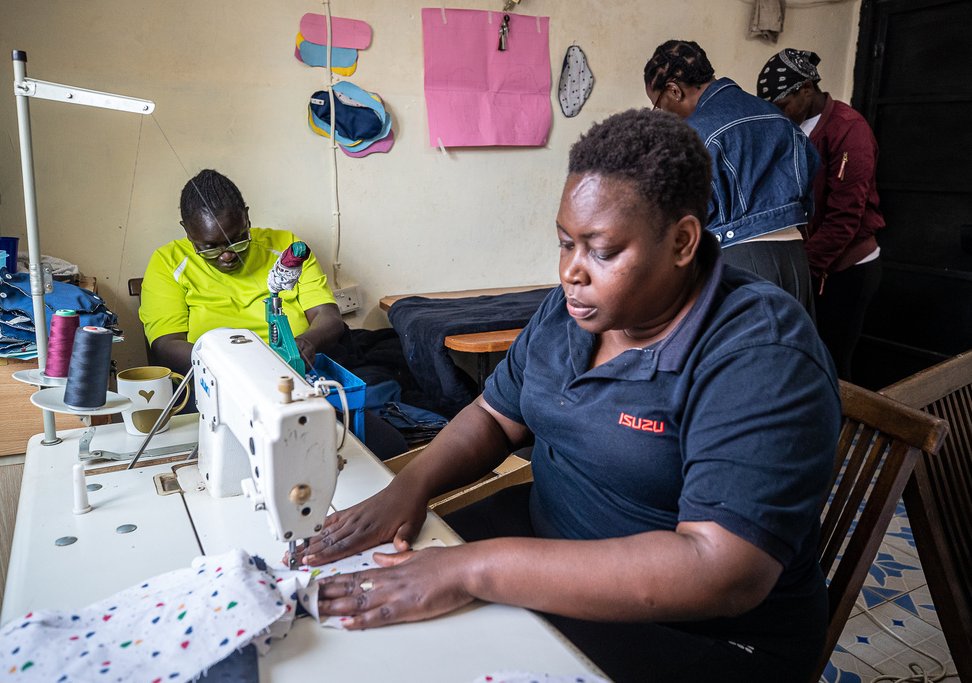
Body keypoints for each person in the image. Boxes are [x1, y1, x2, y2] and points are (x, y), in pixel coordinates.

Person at [301, 109, 840, 682]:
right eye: (565, 244)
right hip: (547, 540)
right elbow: (493, 414)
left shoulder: (760, 354)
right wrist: (409, 487)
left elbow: (720, 570)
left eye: (601, 251)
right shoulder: (572, 312)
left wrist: (471, 570)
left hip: (701, 632)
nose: (570, 273)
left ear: (682, 240)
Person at [139, 169, 407, 458]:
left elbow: (328, 316)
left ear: (247, 217)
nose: (227, 254)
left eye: (238, 239)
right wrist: (243, 364)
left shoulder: (286, 248)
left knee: (386, 448)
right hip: (219, 384)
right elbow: (166, 345)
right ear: (186, 230)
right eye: (210, 247)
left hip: (295, 376)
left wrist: (306, 342)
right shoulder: (167, 263)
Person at [643, 39, 821, 318]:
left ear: (674, 90)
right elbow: (810, 184)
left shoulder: (695, 134)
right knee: (789, 356)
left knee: (743, 358)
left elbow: (680, 222)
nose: (663, 116)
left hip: (740, 264)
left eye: (658, 106)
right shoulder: (777, 116)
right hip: (796, 261)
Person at [758, 49, 884, 382]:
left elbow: (845, 219)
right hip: (810, 263)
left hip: (846, 267)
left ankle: (839, 432)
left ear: (807, 90)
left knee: (832, 362)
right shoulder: (791, 127)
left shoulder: (848, 130)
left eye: (783, 106)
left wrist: (803, 271)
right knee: (805, 359)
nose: (780, 116)